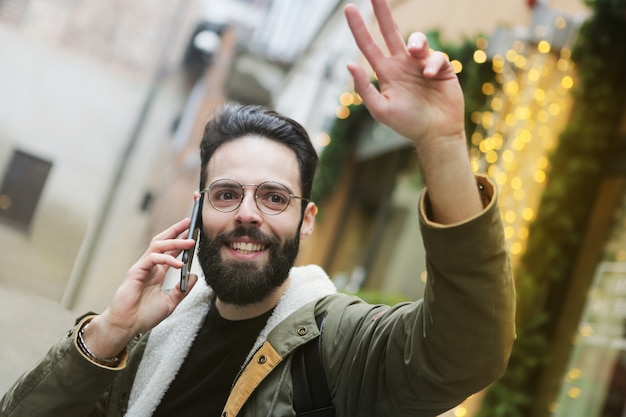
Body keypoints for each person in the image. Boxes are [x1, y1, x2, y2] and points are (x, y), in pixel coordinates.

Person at [1, 0, 515, 416]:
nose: (248, 213)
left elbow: (466, 353)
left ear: (305, 220)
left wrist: (442, 141)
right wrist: (109, 332)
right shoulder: (146, 343)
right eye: (227, 194)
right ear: (199, 211)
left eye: (274, 197)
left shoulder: (339, 341)